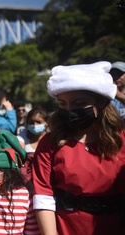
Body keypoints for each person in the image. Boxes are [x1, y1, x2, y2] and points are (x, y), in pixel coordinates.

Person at [32, 61, 125, 234]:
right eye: (62, 104)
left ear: (101, 102)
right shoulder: (49, 144)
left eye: (80, 103)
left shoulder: (122, 141)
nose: (70, 110)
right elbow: (43, 197)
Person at [16, 105, 49, 185]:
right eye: (31, 122)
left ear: (46, 123)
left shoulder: (51, 138)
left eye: (38, 122)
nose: (34, 125)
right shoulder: (22, 136)